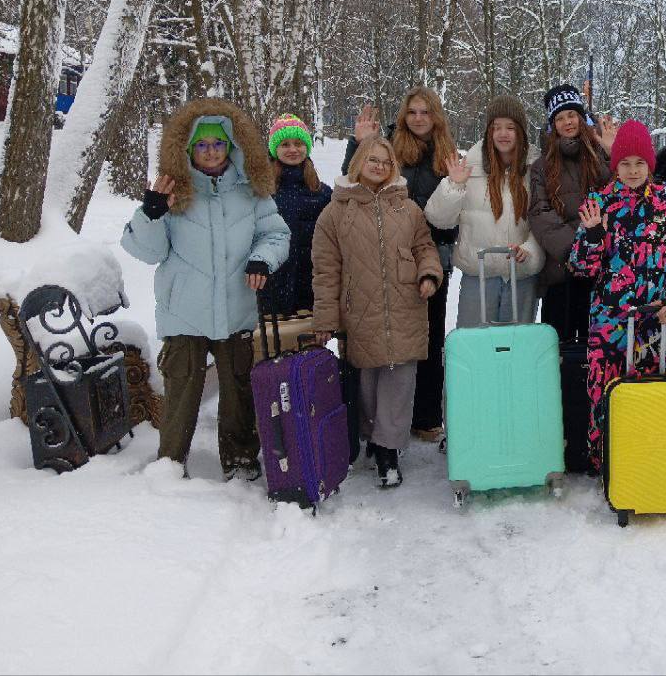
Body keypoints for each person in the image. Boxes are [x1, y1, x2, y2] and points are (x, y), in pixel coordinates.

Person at [120, 98, 291, 480]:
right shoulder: (174, 192)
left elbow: (276, 234)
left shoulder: (251, 191)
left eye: (217, 143)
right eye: (202, 144)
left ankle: (241, 460)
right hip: (185, 313)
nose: (211, 151)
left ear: (231, 146)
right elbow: (146, 251)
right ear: (187, 148)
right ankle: (170, 462)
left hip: (236, 309)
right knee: (181, 391)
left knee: (239, 391)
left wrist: (261, 259)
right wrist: (151, 213)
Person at [312, 137, 442, 488]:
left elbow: (424, 246)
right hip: (360, 310)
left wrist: (429, 274)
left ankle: (388, 451)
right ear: (358, 162)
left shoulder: (407, 207)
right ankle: (373, 436)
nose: (379, 166)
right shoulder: (335, 211)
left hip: (405, 305)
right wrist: (326, 319)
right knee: (367, 384)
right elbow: (325, 270)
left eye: (385, 161)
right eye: (373, 159)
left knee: (400, 381)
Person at [568, 119, 666, 473]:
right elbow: (580, 267)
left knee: (649, 392)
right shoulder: (600, 203)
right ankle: (606, 463)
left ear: (650, 165)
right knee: (605, 391)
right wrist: (593, 236)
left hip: (655, 321)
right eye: (625, 163)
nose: (633, 170)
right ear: (615, 165)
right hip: (610, 320)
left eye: (640, 163)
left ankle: (644, 464)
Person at [344, 91, 459, 443]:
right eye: (412, 112)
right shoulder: (390, 148)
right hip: (389, 256)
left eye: (425, 112)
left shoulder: (448, 154)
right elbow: (356, 183)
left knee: (429, 337)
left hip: (433, 256)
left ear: (436, 116)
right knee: (391, 337)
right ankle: (380, 418)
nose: (419, 118)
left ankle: (425, 416)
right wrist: (358, 144)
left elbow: (456, 211)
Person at [426, 95, 543, 327]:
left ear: (521, 132)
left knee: (515, 345)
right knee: (476, 344)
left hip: (520, 277)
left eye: (510, 127)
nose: (503, 133)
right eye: (496, 127)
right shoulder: (470, 166)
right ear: (489, 131)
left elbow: (542, 220)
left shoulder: (535, 168)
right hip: (478, 277)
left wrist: (529, 250)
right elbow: (439, 219)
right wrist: (454, 185)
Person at [528, 83, 613, 345]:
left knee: (595, 343)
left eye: (572, 115)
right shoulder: (541, 166)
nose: (567, 122)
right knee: (558, 348)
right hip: (561, 267)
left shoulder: (599, 154)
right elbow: (540, 212)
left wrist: (613, 153)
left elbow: (619, 192)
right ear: (552, 124)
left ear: (581, 117)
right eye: (560, 118)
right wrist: (575, 251)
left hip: (601, 267)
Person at [263, 114, 331, 318]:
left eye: (298, 143)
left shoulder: (321, 192)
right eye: (285, 144)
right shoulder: (261, 192)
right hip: (271, 288)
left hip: (309, 287)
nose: (293, 149)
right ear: (275, 149)